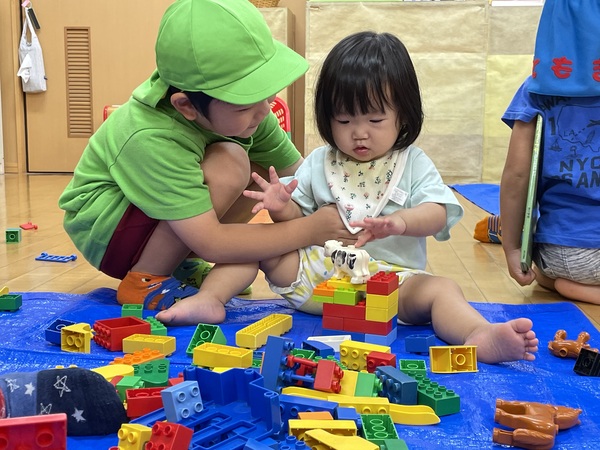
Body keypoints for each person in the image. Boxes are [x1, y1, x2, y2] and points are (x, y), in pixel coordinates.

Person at [169, 31, 539, 364]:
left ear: (403, 115)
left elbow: (438, 212)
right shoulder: (320, 162)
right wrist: (282, 207)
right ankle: (211, 298)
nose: (359, 133)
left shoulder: (411, 163)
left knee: (442, 289)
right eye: (344, 121)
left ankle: (478, 334)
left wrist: (400, 222)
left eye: (375, 121)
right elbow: (298, 221)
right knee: (256, 243)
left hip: (389, 289)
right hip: (317, 280)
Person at [58, 0, 355, 324]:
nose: (264, 110)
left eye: (267, 94)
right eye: (245, 105)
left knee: (261, 175)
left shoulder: (254, 112)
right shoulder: (149, 134)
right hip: (107, 229)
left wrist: (353, 210)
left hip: (157, 219)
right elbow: (213, 242)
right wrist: (309, 230)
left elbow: (302, 176)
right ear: (185, 106)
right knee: (231, 162)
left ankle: (180, 262)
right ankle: (146, 278)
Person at [499, 0, 600, 305]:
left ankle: (563, 282)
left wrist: (513, 248)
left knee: (550, 269)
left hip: (560, 252)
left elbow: (516, 176)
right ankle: (576, 286)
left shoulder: (533, 92)